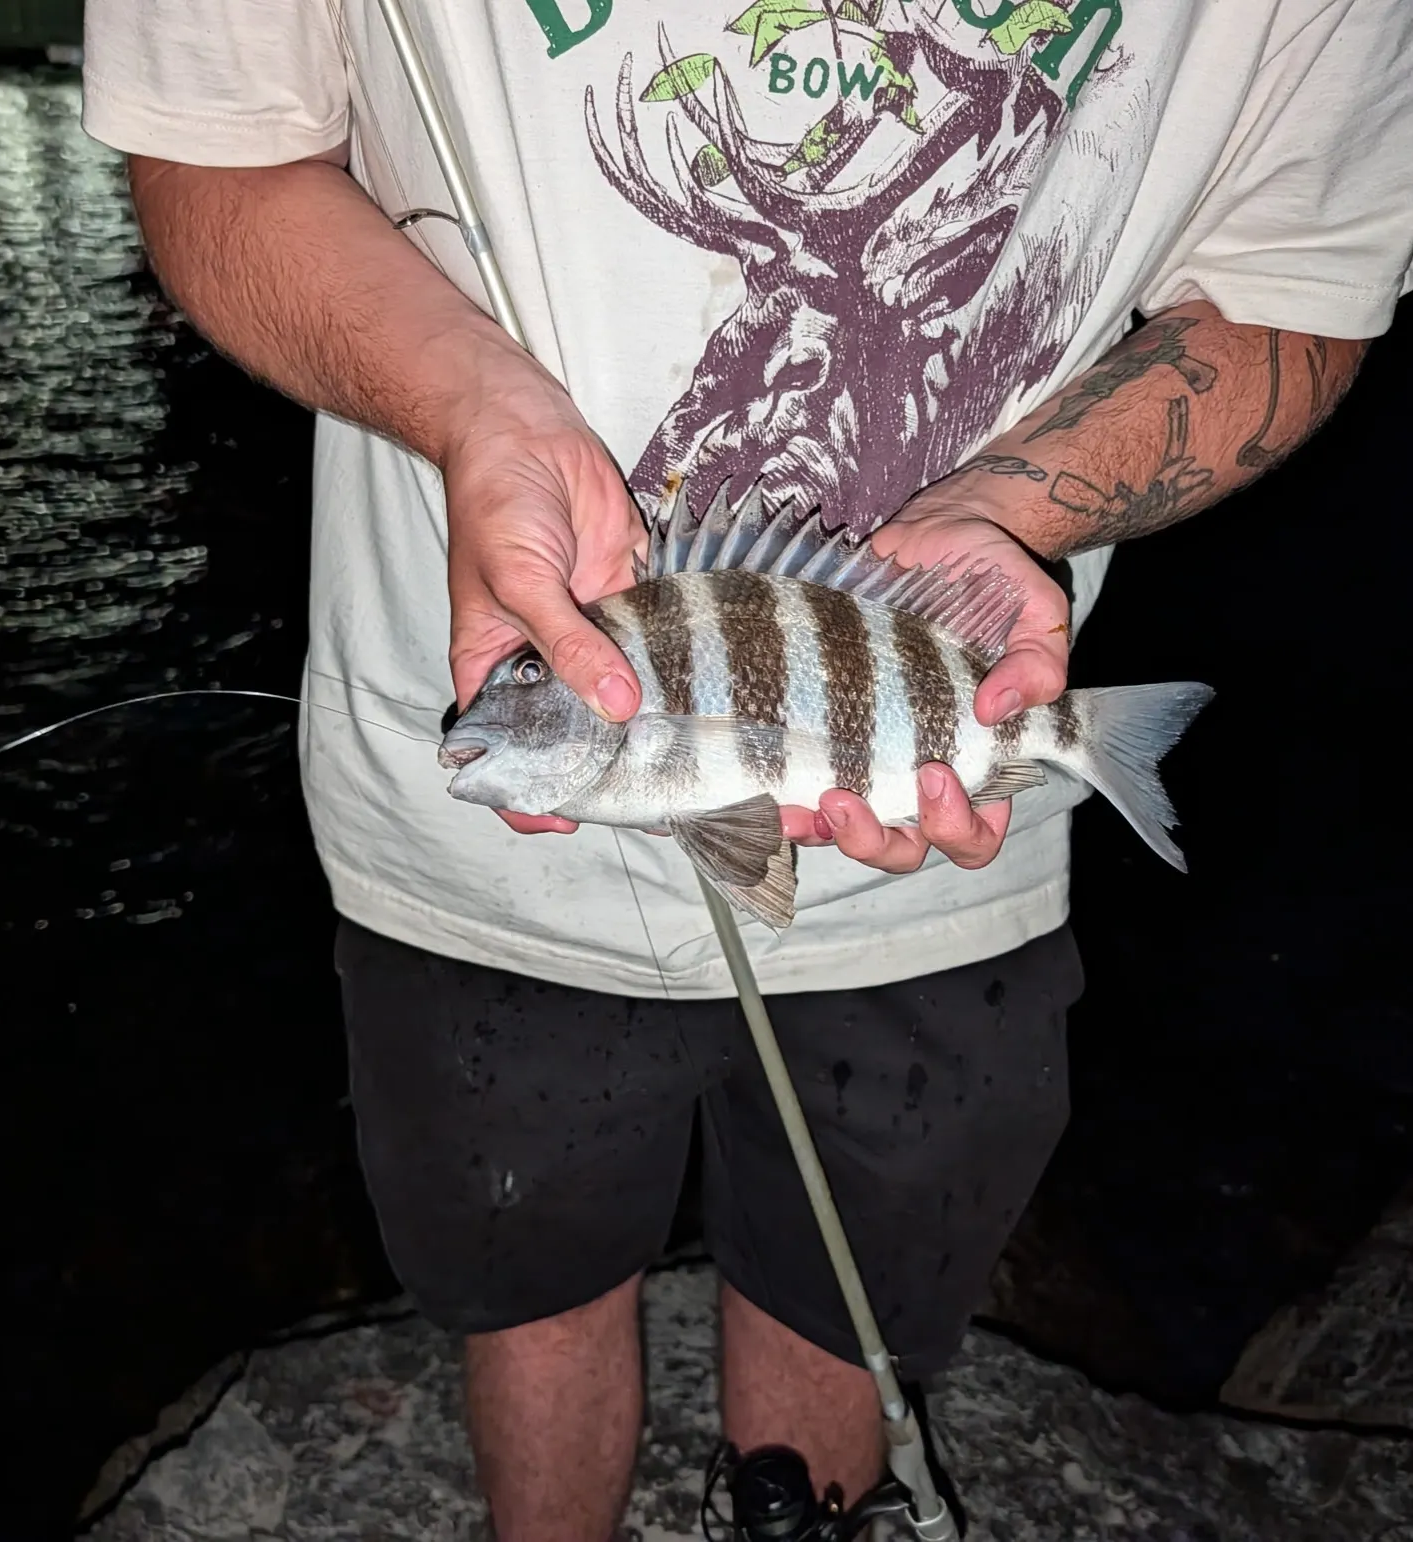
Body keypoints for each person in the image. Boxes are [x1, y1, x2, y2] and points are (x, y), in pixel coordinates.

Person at [82, 3, 1411, 1536]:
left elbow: (1297, 288)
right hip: (474, 882)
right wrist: (471, 406)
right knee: (528, 1288)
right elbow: (214, 153)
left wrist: (1004, 511)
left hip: (943, 836)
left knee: (841, 1291)